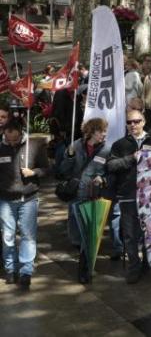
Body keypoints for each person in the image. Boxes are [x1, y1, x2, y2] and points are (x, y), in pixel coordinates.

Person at [106, 110, 151, 284]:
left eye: (137, 121)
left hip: (150, 195)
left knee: (149, 232)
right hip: (128, 194)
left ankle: (147, 263)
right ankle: (134, 267)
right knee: (130, 235)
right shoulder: (119, 144)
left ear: (143, 122)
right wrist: (131, 158)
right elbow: (111, 165)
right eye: (129, 122)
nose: (133, 125)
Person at [57, 118, 110, 284]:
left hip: (93, 196)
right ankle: (83, 252)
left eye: (105, 131)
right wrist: (70, 157)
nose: (104, 134)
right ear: (92, 131)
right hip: (75, 195)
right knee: (75, 234)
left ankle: (84, 269)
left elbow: (110, 172)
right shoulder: (76, 146)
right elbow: (62, 170)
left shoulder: (107, 150)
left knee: (88, 234)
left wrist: (103, 179)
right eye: (101, 131)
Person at [0, 121, 48, 289]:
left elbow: (47, 169)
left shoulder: (34, 145)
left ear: (21, 133)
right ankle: (10, 268)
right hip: (6, 199)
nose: (11, 142)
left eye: (15, 139)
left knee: (28, 235)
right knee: (7, 236)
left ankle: (26, 271)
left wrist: (34, 172)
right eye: (8, 139)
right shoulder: (1, 146)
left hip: (28, 198)